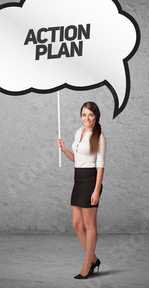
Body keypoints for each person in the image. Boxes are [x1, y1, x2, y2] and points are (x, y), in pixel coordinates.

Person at [57, 101, 106, 279]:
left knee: (89, 225)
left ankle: (87, 265)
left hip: (91, 182)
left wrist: (96, 190)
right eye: (84, 115)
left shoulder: (99, 137)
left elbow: (100, 166)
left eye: (91, 115)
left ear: (96, 117)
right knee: (77, 224)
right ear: (81, 116)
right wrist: (64, 150)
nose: (87, 118)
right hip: (78, 181)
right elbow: (76, 160)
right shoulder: (79, 132)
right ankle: (93, 258)